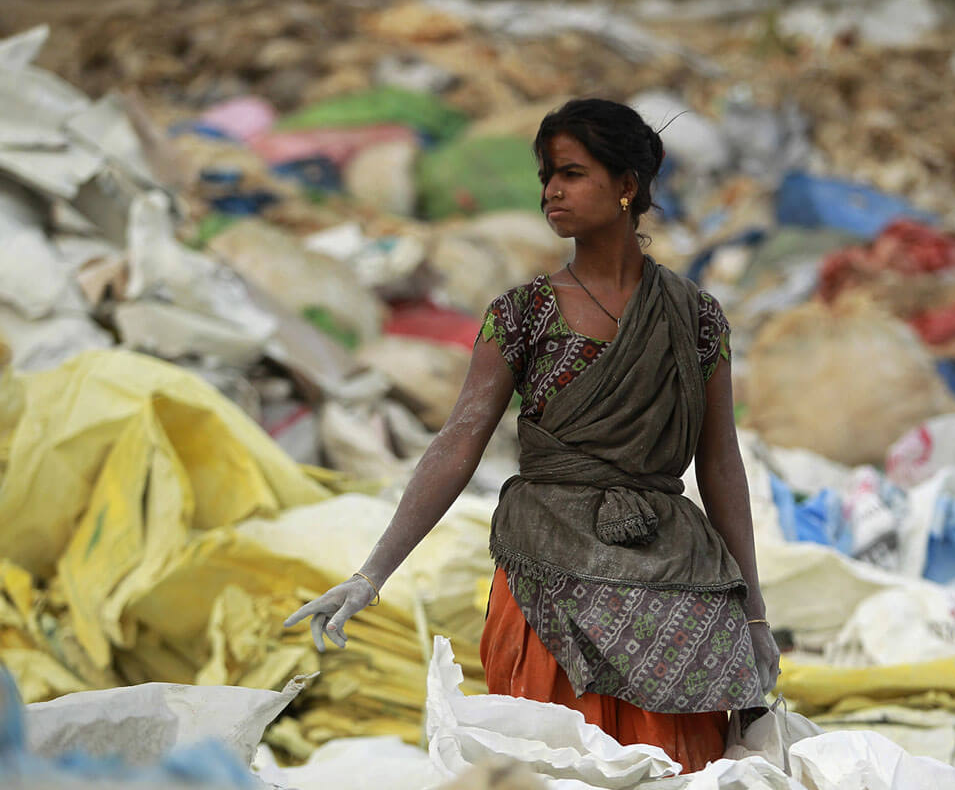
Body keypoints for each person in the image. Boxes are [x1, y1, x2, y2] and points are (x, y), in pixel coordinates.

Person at [285, 98, 779, 773]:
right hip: (548, 578)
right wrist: (370, 575)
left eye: (572, 173)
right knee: (545, 770)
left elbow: (721, 466)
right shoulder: (522, 314)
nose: (551, 191)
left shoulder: (696, 319)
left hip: (671, 586)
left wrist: (752, 615)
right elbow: (459, 440)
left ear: (627, 185)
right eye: (546, 174)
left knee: (674, 774)